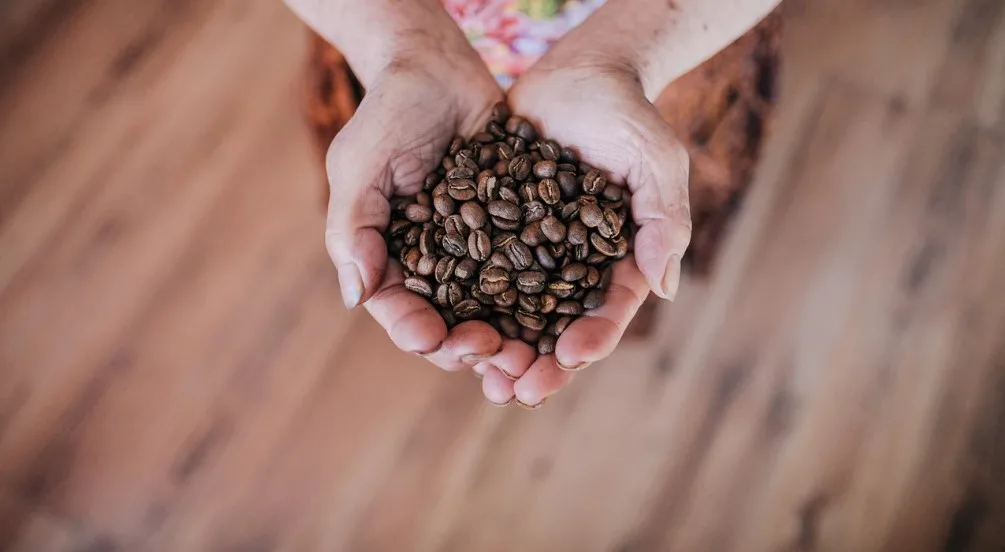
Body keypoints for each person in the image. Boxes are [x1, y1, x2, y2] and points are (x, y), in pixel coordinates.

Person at [284, 0, 781, 408]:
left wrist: (622, 52)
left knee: (643, 225)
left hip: (675, 30)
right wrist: (405, 47)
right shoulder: (477, 218)